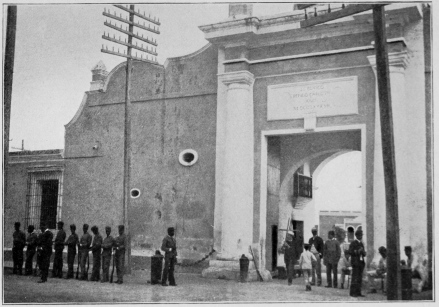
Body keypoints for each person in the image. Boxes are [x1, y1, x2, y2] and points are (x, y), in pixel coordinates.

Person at [349, 229, 366, 297]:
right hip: (355, 262)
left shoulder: (361, 243)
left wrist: (364, 253)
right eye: (359, 235)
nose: (360, 236)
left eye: (361, 235)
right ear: (356, 235)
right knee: (355, 278)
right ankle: (352, 293)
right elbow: (350, 252)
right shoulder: (353, 243)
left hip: (361, 262)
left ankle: (358, 292)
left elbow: (363, 253)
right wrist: (358, 251)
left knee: (359, 278)